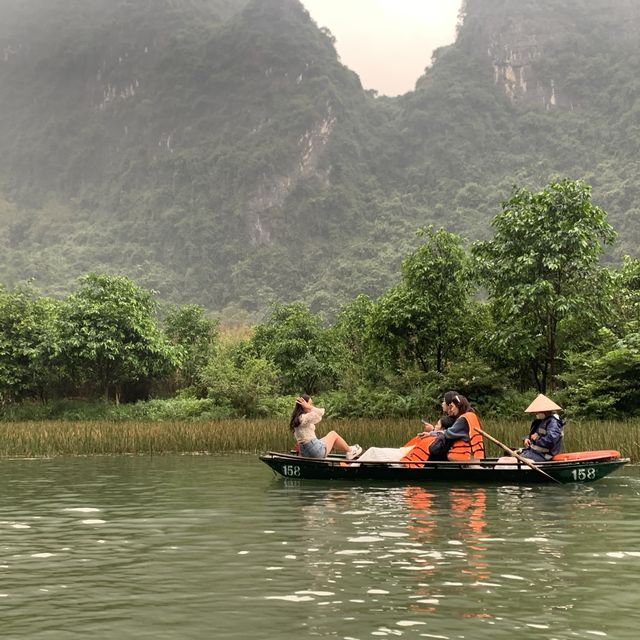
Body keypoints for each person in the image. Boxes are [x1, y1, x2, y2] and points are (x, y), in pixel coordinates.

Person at [402, 391, 485, 464]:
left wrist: (431, 433)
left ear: (458, 406)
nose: (451, 409)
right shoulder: (472, 416)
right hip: (473, 453)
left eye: (452, 406)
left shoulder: (463, 419)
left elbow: (449, 433)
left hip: (463, 455)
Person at [290, 394, 362, 460]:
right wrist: (309, 407)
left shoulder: (297, 419)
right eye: (310, 403)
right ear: (304, 405)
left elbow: (318, 417)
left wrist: (308, 407)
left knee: (328, 439)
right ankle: (350, 451)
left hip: (305, 452)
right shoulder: (305, 418)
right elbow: (321, 412)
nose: (311, 405)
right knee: (333, 434)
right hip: (314, 451)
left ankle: (348, 450)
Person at [520, 393, 565, 461]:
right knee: (511, 455)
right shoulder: (539, 421)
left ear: (545, 411)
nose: (536, 413)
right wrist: (527, 439)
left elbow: (551, 440)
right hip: (534, 452)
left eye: (537, 411)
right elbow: (533, 434)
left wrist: (536, 439)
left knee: (519, 459)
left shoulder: (553, 422)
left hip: (545, 456)